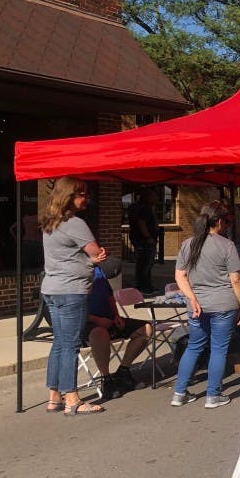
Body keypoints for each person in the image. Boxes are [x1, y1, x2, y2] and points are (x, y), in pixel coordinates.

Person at [40, 177, 107, 416]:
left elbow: (68, 258)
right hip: (71, 291)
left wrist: (87, 260)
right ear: (70, 196)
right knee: (70, 345)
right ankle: (72, 399)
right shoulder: (75, 223)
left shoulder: (50, 223)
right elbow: (96, 252)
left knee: (59, 343)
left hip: (52, 289)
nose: (85, 198)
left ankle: (54, 397)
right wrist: (94, 259)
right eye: (82, 194)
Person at [171, 201, 240, 409]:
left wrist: (191, 297)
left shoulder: (188, 244)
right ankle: (213, 394)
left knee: (194, 346)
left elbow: (180, 275)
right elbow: (236, 279)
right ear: (220, 221)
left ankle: (179, 392)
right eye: (226, 221)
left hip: (197, 306)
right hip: (223, 304)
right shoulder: (226, 245)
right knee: (218, 348)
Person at [85, 260, 151, 399]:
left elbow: (110, 298)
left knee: (146, 329)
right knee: (100, 333)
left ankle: (123, 372)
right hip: (88, 324)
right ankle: (106, 379)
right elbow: (74, 307)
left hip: (110, 320)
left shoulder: (100, 271)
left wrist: (116, 316)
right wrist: (98, 320)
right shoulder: (76, 273)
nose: (103, 253)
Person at [129, 189, 159, 294]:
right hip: (144, 241)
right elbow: (142, 223)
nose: (156, 198)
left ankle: (148, 285)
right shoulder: (144, 208)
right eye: (154, 196)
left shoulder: (144, 207)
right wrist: (148, 237)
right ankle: (143, 287)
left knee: (147, 264)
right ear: (148, 197)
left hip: (142, 240)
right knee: (144, 264)